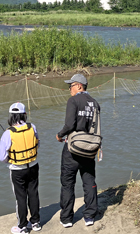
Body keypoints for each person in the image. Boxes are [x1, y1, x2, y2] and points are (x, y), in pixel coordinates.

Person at [56, 74, 100, 228]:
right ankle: (89, 216)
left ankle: (67, 218)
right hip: (89, 149)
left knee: (67, 183)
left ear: (79, 86)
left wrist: (59, 135)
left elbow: (69, 125)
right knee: (89, 181)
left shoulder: (73, 101)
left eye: (71, 86)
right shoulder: (95, 103)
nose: (70, 89)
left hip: (72, 149)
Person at [0, 102, 42, 234]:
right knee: (33, 194)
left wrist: (11, 161)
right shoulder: (32, 127)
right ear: (24, 115)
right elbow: (37, 143)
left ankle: (22, 226)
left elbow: (1, 156)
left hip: (17, 170)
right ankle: (36, 223)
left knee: (20, 197)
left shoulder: (8, 133)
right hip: (33, 166)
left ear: (11, 116)